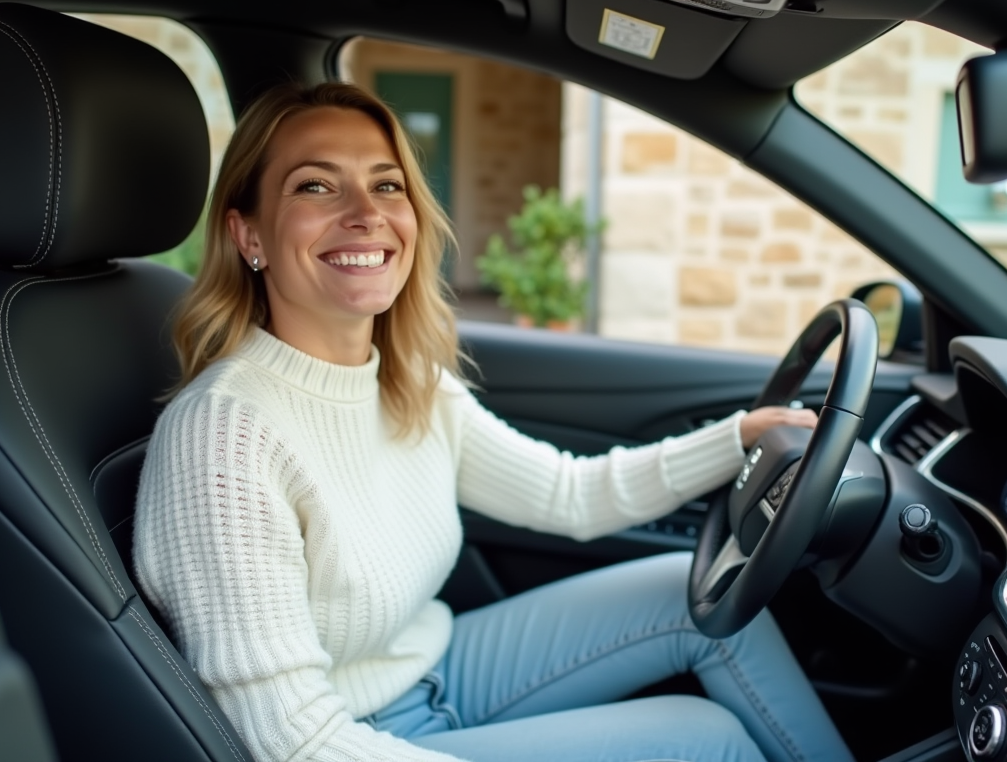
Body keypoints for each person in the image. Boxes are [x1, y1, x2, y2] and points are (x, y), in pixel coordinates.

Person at [133, 81, 854, 762]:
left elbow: (568, 494)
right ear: (249, 235)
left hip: (439, 667)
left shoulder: (409, 381)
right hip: (351, 739)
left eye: (387, 185)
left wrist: (740, 439)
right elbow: (294, 745)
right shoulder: (224, 436)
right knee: (702, 740)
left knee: (694, 595)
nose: (365, 213)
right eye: (315, 186)